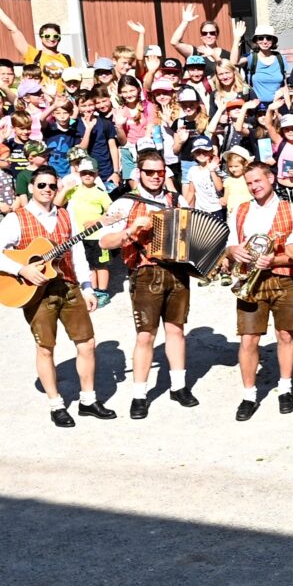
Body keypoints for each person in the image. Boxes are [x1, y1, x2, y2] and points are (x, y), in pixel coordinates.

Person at [0, 166, 104, 427]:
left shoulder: (67, 215)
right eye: (42, 185)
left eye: (51, 186)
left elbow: (78, 254)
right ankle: (56, 404)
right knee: (46, 348)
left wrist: (87, 287)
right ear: (31, 188)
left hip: (67, 285)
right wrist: (21, 268)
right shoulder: (17, 219)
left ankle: (88, 400)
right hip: (36, 291)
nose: (47, 190)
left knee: (87, 343)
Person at [95, 149, 199, 417]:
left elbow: (194, 234)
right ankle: (139, 394)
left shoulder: (176, 199)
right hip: (144, 273)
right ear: (138, 173)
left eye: (160, 172)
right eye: (150, 172)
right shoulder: (125, 203)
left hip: (177, 271)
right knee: (146, 336)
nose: (156, 176)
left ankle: (179, 386)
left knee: (176, 330)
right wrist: (130, 230)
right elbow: (104, 242)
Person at [228, 161, 293, 421]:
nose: (254, 187)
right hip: (250, 280)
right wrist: (234, 251)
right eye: (249, 183)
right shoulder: (240, 210)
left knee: (285, 335)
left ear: (271, 178)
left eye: (258, 181)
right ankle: (249, 394)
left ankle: (285, 388)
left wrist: (273, 260)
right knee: (248, 339)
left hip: (284, 279)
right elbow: (230, 243)